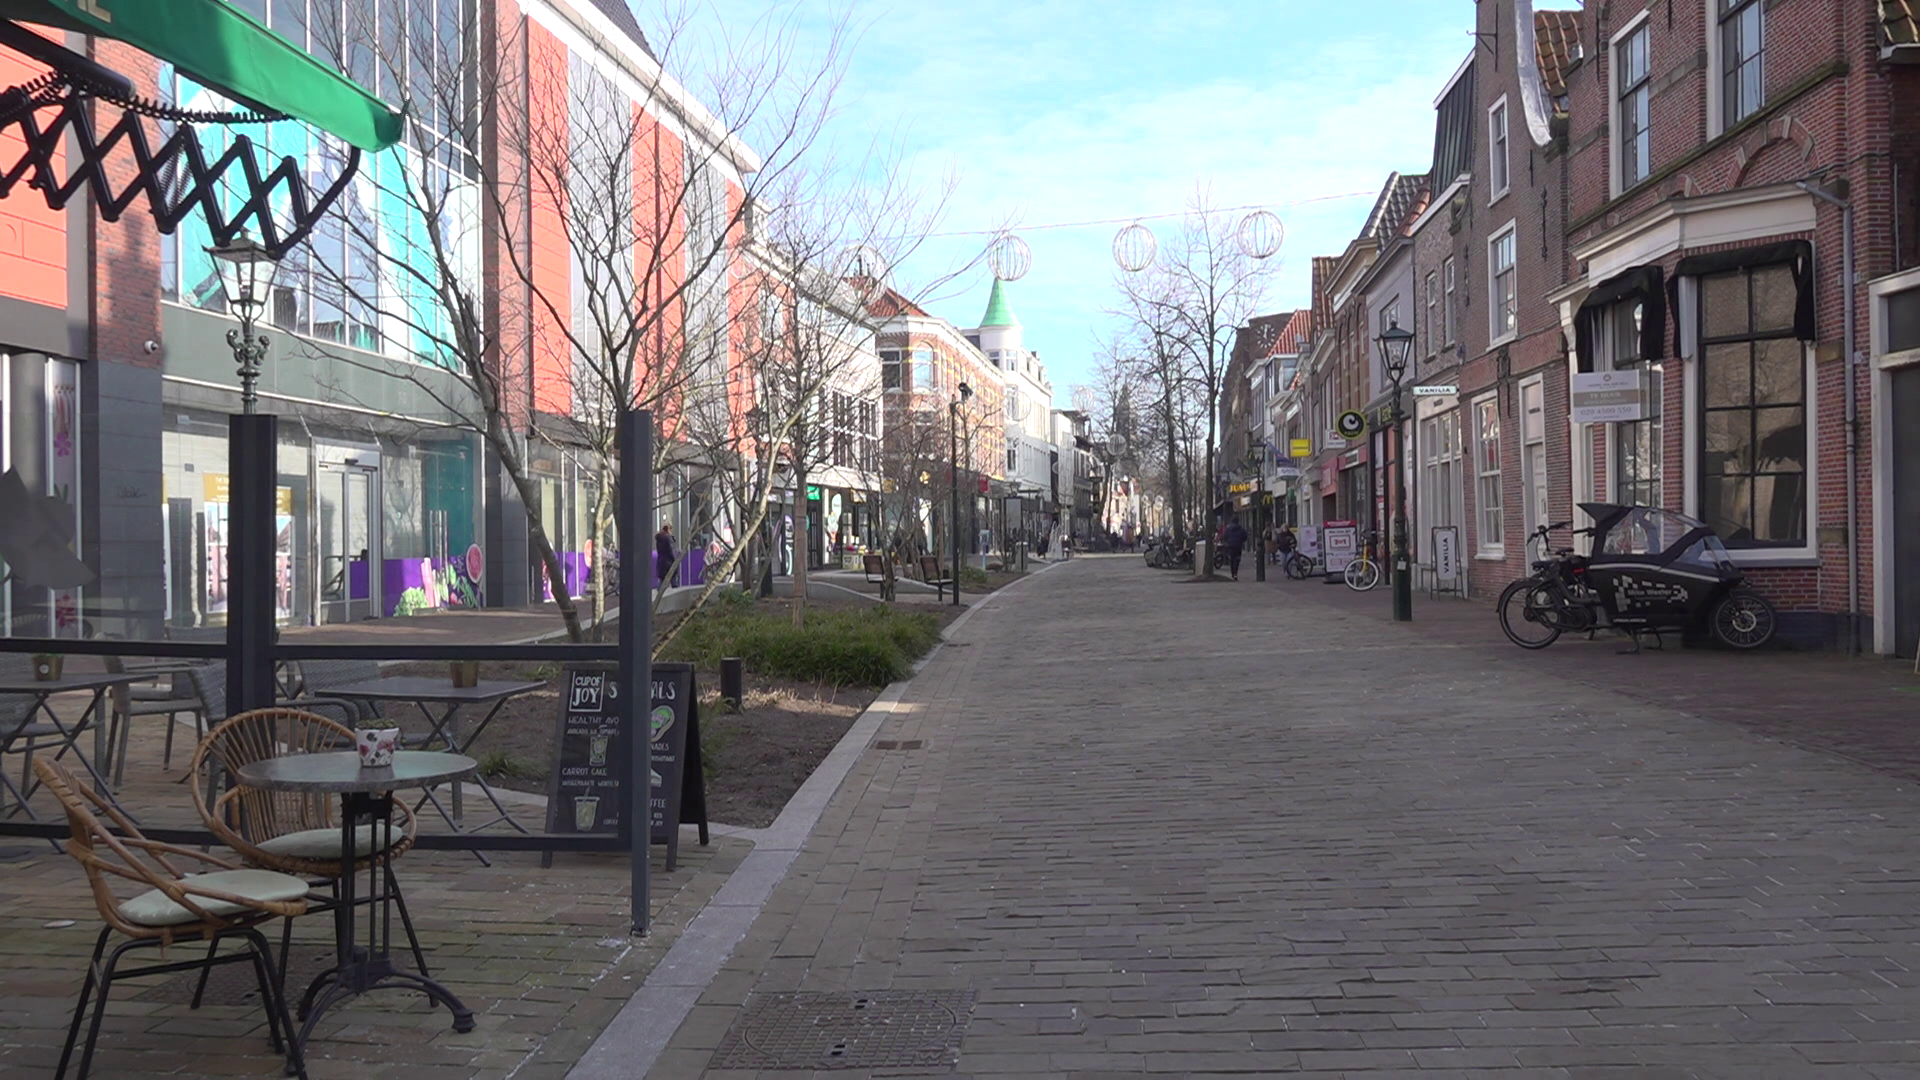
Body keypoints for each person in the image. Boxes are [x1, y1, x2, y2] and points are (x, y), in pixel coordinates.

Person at [1222, 516, 1249, 580]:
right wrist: (1241, 541)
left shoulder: (1228, 529)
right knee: (1237, 560)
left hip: (1230, 546)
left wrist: (1227, 542)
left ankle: (1232, 573)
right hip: (1238, 546)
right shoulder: (1241, 529)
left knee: (1231, 559)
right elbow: (1245, 536)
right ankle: (1235, 573)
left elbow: (1224, 536)